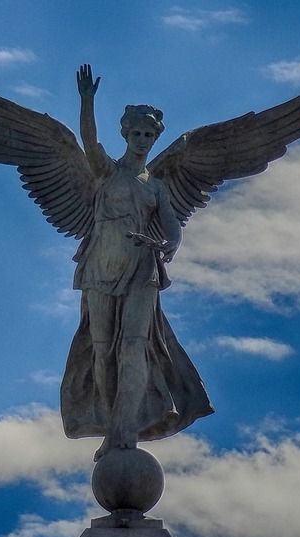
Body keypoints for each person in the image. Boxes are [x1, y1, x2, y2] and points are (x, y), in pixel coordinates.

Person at [60, 65, 214, 461]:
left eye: (149, 134)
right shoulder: (107, 171)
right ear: (126, 134)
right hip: (101, 264)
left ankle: (123, 431)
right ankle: (113, 421)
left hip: (142, 267)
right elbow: (88, 141)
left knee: (133, 346)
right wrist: (87, 100)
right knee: (101, 351)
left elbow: (173, 228)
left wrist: (167, 245)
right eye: (137, 133)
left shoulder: (157, 186)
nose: (143, 140)